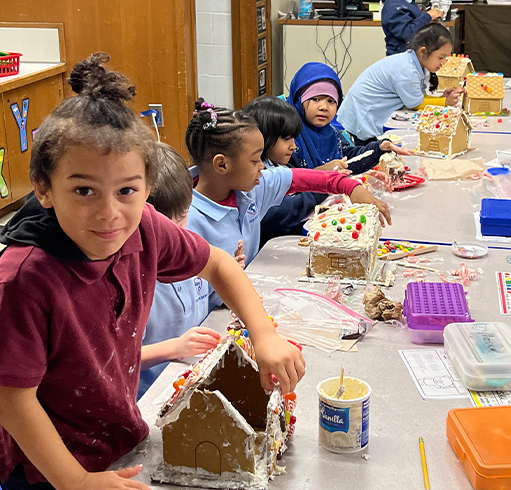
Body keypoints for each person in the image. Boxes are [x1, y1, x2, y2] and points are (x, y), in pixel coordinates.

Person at [0, 54, 305, 490]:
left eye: (126, 190)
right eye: (84, 190)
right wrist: (78, 486)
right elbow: (14, 403)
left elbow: (221, 266)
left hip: (113, 431)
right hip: (46, 466)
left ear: (148, 187)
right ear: (44, 188)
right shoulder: (24, 279)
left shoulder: (144, 226)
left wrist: (264, 334)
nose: (109, 213)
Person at [184, 98, 392, 306]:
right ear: (222, 164)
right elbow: (197, 303)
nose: (263, 167)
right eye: (255, 160)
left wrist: (349, 186)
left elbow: (302, 178)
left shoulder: (250, 188)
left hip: (250, 294)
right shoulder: (188, 224)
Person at [253, 66, 409, 241]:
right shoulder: (280, 144)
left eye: (331, 101)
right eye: (316, 99)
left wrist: (378, 149)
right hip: (290, 234)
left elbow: (346, 160)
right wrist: (325, 181)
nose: (323, 107)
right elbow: (286, 207)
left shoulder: (332, 133)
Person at [137, 143, 242, 399]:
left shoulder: (191, 251)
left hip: (190, 380)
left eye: (182, 218)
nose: (175, 236)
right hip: (147, 397)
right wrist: (174, 347)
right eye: (161, 229)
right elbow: (113, 358)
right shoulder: (130, 278)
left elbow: (205, 299)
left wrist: (228, 281)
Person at [338, 22, 464, 144]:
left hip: (363, 114)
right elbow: (416, 103)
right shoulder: (406, 70)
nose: (443, 63)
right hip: (361, 120)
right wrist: (444, 102)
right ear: (423, 51)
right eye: (440, 57)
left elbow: (416, 97)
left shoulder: (412, 62)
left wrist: (441, 98)